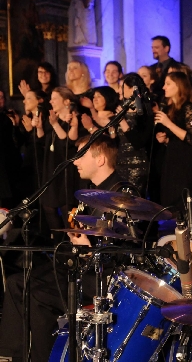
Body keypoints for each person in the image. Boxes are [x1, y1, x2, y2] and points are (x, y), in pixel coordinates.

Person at [0, 134, 134, 362]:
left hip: (102, 278)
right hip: (82, 266)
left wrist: (89, 250)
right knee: (16, 282)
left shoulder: (122, 195)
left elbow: (123, 253)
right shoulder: (91, 192)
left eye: (81, 156)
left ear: (100, 159)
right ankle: (13, 355)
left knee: (38, 295)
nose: (75, 161)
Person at [31, 86, 84, 240]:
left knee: (67, 207)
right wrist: (40, 128)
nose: (51, 101)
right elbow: (43, 142)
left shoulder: (73, 118)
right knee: (48, 205)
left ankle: (73, 242)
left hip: (66, 170)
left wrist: (55, 124)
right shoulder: (53, 119)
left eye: (54, 98)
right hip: (51, 167)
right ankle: (58, 242)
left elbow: (68, 144)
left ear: (66, 101)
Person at [155, 71, 192, 214]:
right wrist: (165, 139)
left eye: (168, 84)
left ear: (179, 86)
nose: (164, 87)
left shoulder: (188, 107)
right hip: (172, 161)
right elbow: (176, 138)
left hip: (185, 164)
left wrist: (168, 124)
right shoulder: (170, 108)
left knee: (182, 202)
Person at [115, 73, 154, 195]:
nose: (118, 90)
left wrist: (122, 122)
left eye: (122, 87)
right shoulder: (123, 108)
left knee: (132, 203)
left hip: (136, 166)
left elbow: (139, 142)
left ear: (132, 88)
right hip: (121, 163)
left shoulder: (144, 110)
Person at [150, 35, 178, 100]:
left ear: (166, 48)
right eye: (152, 48)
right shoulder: (151, 69)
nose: (153, 51)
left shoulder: (178, 67)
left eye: (156, 47)